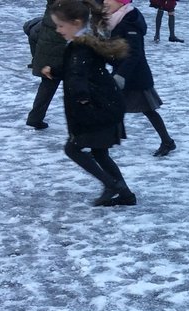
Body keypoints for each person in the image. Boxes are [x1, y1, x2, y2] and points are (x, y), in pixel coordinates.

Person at [43, 0, 137, 206]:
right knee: (99, 151)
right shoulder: (87, 41)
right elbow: (77, 69)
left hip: (97, 108)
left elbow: (77, 76)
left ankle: (112, 185)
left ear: (76, 22)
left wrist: (82, 101)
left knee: (73, 149)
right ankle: (125, 195)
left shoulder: (80, 47)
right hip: (107, 104)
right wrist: (55, 71)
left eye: (60, 25)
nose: (58, 30)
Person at [104, 0, 177, 156]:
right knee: (112, 107)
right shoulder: (116, 19)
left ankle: (167, 142)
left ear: (121, 3)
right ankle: (103, 144)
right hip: (123, 73)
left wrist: (120, 76)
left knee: (148, 110)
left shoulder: (129, 22)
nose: (104, 2)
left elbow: (134, 54)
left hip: (134, 77)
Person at [26, 1, 67, 130]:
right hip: (63, 43)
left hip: (47, 43)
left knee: (48, 83)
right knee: (78, 82)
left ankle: (35, 117)